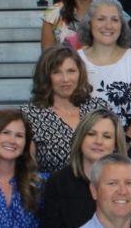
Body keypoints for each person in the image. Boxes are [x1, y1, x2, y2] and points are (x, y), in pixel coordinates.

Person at [37, 107, 123, 228]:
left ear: (116, 144)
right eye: (91, 134)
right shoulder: (57, 182)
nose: (98, 141)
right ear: (80, 138)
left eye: (107, 136)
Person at [23, 46, 108, 179]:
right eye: (57, 72)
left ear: (80, 73)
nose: (65, 79)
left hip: (99, 185)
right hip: (53, 190)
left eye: (71, 71)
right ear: (46, 76)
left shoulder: (98, 107)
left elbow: (116, 153)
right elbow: (27, 168)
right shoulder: (30, 114)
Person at [78, 0, 131, 148]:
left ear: (122, 25)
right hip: (82, 142)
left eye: (115, 20)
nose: (108, 26)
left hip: (126, 142)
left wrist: (124, 142)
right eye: (101, 19)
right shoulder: (75, 60)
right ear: (89, 23)